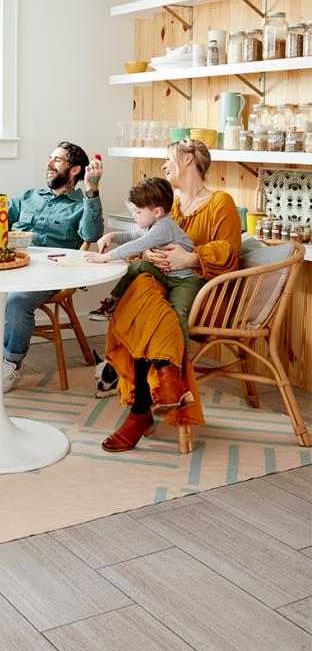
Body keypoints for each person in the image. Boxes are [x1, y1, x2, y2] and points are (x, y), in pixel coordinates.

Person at [100, 138, 241, 451]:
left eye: (169, 159)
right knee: (140, 295)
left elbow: (230, 250)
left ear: (188, 160)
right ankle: (166, 383)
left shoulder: (221, 202)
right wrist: (150, 255)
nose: (164, 167)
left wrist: (190, 258)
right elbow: (147, 239)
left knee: (147, 309)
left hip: (202, 292)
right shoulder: (171, 204)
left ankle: (140, 412)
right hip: (163, 282)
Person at [0, 141, 104, 409]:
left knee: (16, 300)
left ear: (75, 169)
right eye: (49, 157)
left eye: (57, 160)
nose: (49, 163)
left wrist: (93, 190)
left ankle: (9, 366)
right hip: (10, 267)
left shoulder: (81, 203)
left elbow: (90, 235)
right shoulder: (28, 197)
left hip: (51, 274)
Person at [84, 176, 202, 415]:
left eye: (138, 212)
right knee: (136, 267)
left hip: (184, 280)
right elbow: (133, 236)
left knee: (177, 314)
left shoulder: (164, 227)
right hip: (165, 274)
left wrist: (105, 257)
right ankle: (113, 301)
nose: (135, 216)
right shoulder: (153, 225)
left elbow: (138, 246)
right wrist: (112, 236)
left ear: (157, 212)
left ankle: (176, 371)